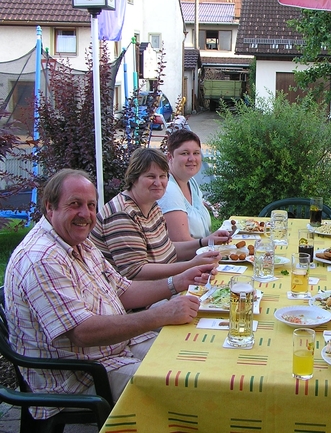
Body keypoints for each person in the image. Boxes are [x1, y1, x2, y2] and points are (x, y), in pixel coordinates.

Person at [3, 169, 216, 419]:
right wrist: (160, 315)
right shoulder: (42, 259)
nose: (86, 214)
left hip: (115, 350)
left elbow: (122, 290)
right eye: (75, 204)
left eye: (91, 205)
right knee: (185, 388)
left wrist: (177, 282)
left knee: (196, 358)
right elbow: (83, 332)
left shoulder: (79, 241)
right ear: (50, 208)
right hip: (78, 375)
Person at [91, 148, 224, 281]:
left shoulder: (152, 205)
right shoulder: (121, 215)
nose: (158, 183)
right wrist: (190, 266)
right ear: (134, 178)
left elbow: (167, 250)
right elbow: (136, 272)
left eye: (162, 176)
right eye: (150, 176)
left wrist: (206, 242)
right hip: (141, 298)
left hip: (163, 285)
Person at [158, 129, 225, 242]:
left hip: (203, 254)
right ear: (170, 157)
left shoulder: (191, 182)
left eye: (196, 153)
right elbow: (181, 243)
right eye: (184, 153)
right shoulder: (169, 191)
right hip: (188, 259)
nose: (192, 159)